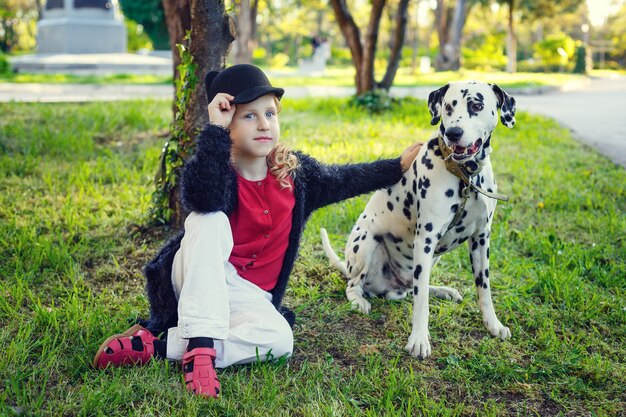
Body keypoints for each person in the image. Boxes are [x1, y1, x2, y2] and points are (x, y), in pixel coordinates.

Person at [92, 64, 422, 398]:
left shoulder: (295, 175)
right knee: (208, 218)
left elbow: (345, 179)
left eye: (269, 113)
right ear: (227, 123)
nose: (264, 124)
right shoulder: (219, 171)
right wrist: (214, 132)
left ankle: (162, 349)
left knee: (280, 341)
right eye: (249, 116)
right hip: (201, 276)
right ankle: (202, 350)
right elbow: (203, 198)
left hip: (251, 298)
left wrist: (395, 167)